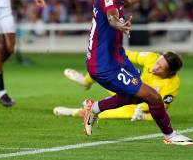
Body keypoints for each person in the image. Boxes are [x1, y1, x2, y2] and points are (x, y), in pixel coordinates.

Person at [82, 0, 193, 145]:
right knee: (153, 97)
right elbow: (111, 17)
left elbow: (125, 0)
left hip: (117, 57)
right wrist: (119, 25)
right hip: (103, 64)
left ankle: (94, 108)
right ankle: (170, 136)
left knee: (133, 97)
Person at [54, 50, 182, 120]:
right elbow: (128, 55)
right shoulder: (152, 57)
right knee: (105, 68)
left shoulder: (173, 85)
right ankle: (85, 82)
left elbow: (161, 107)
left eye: (161, 68)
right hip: (130, 85)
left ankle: (73, 112)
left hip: (134, 106)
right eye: (158, 62)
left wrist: (142, 112)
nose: (155, 67)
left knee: (100, 113)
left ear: (170, 72)